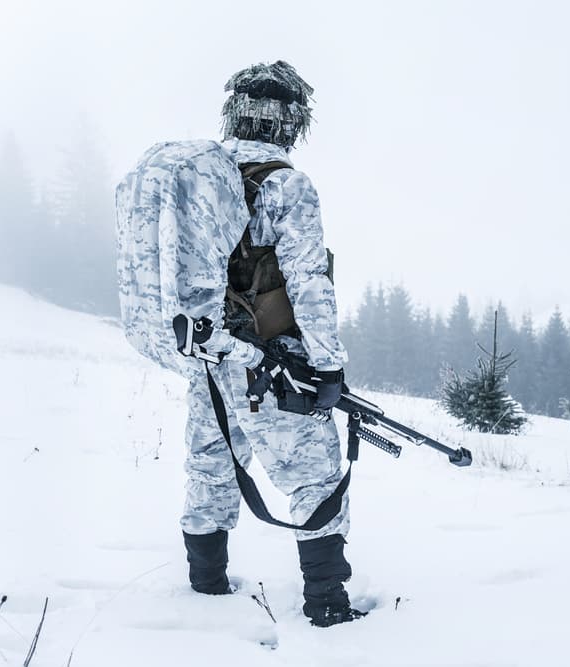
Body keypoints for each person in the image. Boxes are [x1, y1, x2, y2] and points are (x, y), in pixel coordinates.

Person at [170, 61, 361, 627]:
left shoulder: (199, 178)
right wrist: (327, 368)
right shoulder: (286, 184)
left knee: (211, 464)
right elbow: (309, 282)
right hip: (271, 363)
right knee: (316, 477)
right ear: (292, 122)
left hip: (210, 357)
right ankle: (328, 607)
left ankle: (204, 589)